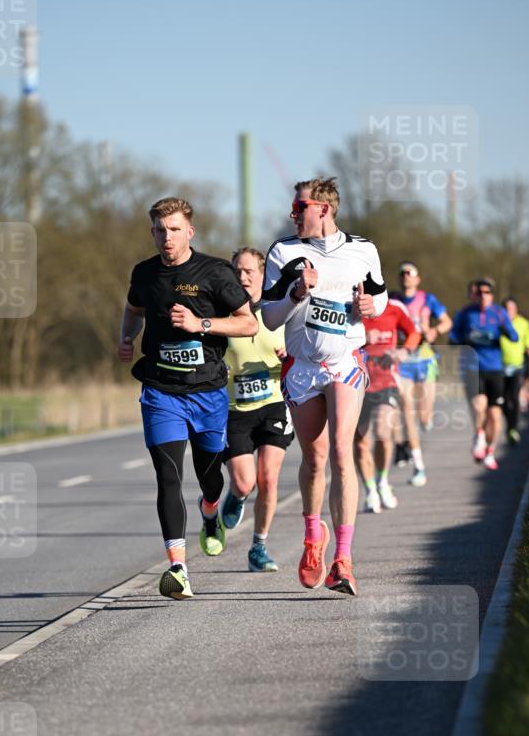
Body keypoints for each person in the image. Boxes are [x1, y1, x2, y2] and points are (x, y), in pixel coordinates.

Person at [118, 197, 258, 600]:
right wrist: (126, 336)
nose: (167, 237)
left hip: (207, 392)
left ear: (189, 232)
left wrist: (201, 324)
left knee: (211, 479)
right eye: (160, 230)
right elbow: (133, 309)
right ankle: (178, 568)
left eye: (175, 230)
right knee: (168, 476)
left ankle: (210, 511)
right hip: (161, 390)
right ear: (152, 233)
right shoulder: (145, 273)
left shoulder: (215, 272)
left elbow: (248, 323)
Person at [262, 177, 388, 596]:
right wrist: (297, 293)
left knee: (340, 451)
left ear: (324, 209)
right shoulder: (283, 252)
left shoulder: (363, 250)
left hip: (344, 362)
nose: (293, 214)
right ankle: (314, 536)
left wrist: (370, 306)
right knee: (314, 460)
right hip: (302, 368)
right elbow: (270, 318)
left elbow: (379, 297)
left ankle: (343, 560)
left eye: (300, 207)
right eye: (293, 207)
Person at [220, 247, 294, 572]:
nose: (243, 277)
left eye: (249, 271)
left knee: (268, 478)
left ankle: (258, 547)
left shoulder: (279, 312)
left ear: (263, 275)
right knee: (244, 483)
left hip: (274, 404)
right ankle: (236, 497)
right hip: (235, 409)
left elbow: (303, 348)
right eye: (237, 271)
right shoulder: (223, 314)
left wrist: (289, 354)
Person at [390, 262, 452, 486]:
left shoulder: (428, 299)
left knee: (424, 417)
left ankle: (425, 422)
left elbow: (447, 322)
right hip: (404, 362)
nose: (406, 276)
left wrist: (435, 330)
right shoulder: (392, 299)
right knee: (407, 409)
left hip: (425, 360)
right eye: (402, 273)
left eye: (410, 273)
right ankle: (419, 466)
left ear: (417, 279)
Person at [356, 300, 421, 512]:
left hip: (386, 381)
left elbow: (414, 333)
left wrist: (404, 351)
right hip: (356, 383)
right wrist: (362, 338)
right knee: (361, 443)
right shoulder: (349, 305)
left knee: (383, 435)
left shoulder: (393, 308)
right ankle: (370, 491)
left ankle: (382, 480)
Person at [449, 276, 518, 471]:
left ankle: (490, 451)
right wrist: (461, 340)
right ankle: (479, 436)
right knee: (479, 405)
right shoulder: (466, 313)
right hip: (474, 368)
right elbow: (453, 337)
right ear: (475, 295)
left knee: (495, 415)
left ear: (492, 295)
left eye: (487, 292)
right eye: (479, 292)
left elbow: (514, 337)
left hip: (495, 368)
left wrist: (505, 331)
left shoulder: (499, 313)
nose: (483, 296)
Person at [500, 298, 529, 444]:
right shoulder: (497, 323)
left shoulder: (523, 323)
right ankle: (510, 424)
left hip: (517, 366)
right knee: (501, 399)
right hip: (499, 366)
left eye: (512, 308)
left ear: (516, 309)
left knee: (513, 397)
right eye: (506, 308)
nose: (509, 311)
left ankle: (513, 428)